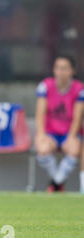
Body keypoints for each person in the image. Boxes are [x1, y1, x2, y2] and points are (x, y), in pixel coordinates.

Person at [35, 55, 83, 192]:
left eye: (64, 68)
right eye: (57, 68)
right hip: (51, 132)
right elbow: (40, 114)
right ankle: (58, 182)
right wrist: (41, 134)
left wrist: (72, 136)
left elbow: (77, 117)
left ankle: (55, 184)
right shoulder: (45, 86)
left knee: (74, 150)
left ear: (72, 71)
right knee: (42, 149)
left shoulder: (80, 89)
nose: (60, 72)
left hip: (70, 132)